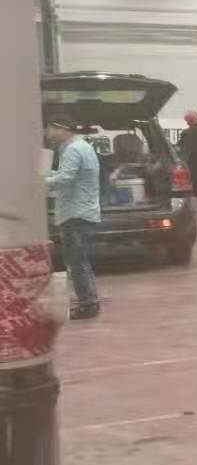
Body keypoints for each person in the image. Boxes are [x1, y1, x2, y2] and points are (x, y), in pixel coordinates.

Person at [45, 119, 102, 320]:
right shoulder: (80, 147)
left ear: (62, 129)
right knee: (80, 261)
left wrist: (39, 182)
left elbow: (65, 178)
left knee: (76, 262)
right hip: (81, 212)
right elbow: (66, 175)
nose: (47, 133)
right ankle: (90, 301)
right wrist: (49, 175)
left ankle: (87, 304)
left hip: (75, 214)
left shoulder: (73, 149)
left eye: (50, 129)